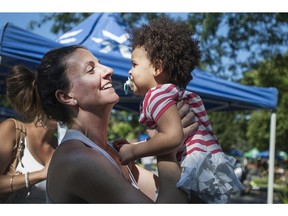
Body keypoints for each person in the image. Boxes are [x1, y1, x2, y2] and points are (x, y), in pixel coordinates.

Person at [15, 45, 199, 203]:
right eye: (91, 69)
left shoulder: (113, 152)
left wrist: (166, 141)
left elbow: (171, 192)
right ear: (66, 96)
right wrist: (167, 145)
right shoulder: (77, 160)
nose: (108, 70)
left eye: (100, 63)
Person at [119, 16, 244, 203]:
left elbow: (172, 138)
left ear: (157, 67)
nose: (129, 71)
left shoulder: (156, 95)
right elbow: (167, 138)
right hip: (204, 169)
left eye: (134, 64)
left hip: (193, 173)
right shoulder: (174, 93)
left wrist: (133, 152)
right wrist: (137, 145)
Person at [0, 66, 58, 203]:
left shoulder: (61, 147)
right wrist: (41, 174)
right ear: (38, 101)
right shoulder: (12, 129)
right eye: (53, 101)